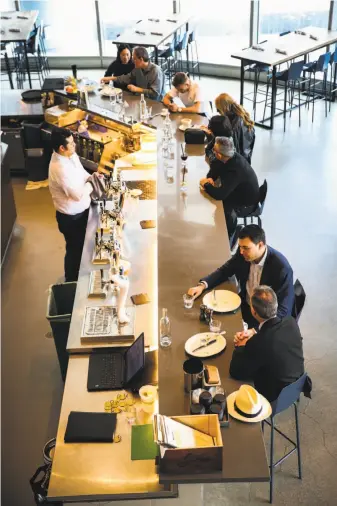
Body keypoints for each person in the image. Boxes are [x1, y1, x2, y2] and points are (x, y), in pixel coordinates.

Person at [187, 225, 295, 328]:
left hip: (264, 318)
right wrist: (202, 286)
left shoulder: (281, 268)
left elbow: (283, 310)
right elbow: (225, 270)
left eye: (246, 248)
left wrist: (258, 330)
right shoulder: (243, 254)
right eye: (240, 247)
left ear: (260, 245)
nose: (241, 251)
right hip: (245, 305)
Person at [229, 286, 304, 402]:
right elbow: (272, 336)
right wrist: (254, 334)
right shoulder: (291, 322)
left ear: (253, 311)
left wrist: (240, 345)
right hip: (297, 385)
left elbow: (235, 372)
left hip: (274, 396)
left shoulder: (258, 343)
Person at [49, 128, 105, 282]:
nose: (74, 146)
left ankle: (82, 275)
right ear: (62, 148)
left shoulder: (70, 155)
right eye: (72, 144)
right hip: (71, 218)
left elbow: (82, 173)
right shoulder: (59, 168)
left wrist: (92, 177)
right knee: (75, 250)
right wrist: (92, 186)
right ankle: (72, 281)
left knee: (82, 246)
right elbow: (77, 195)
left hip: (82, 212)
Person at [199, 137, 259, 238]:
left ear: (218, 154)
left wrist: (205, 184)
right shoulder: (228, 157)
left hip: (247, 202)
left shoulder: (235, 169)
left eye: (214, 149)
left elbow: (220, 195)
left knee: (222, 206)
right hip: (238, 191)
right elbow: (216, 168)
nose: (212, 151)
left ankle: (227, 236)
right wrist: (211, 178)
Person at [215, 93, 255, 163]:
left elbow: (231, 150)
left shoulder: (234, 125)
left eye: (218, 109)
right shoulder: (241, 114)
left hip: (237, 163)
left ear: (224, 108)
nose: (217, 112)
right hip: (245, 159)